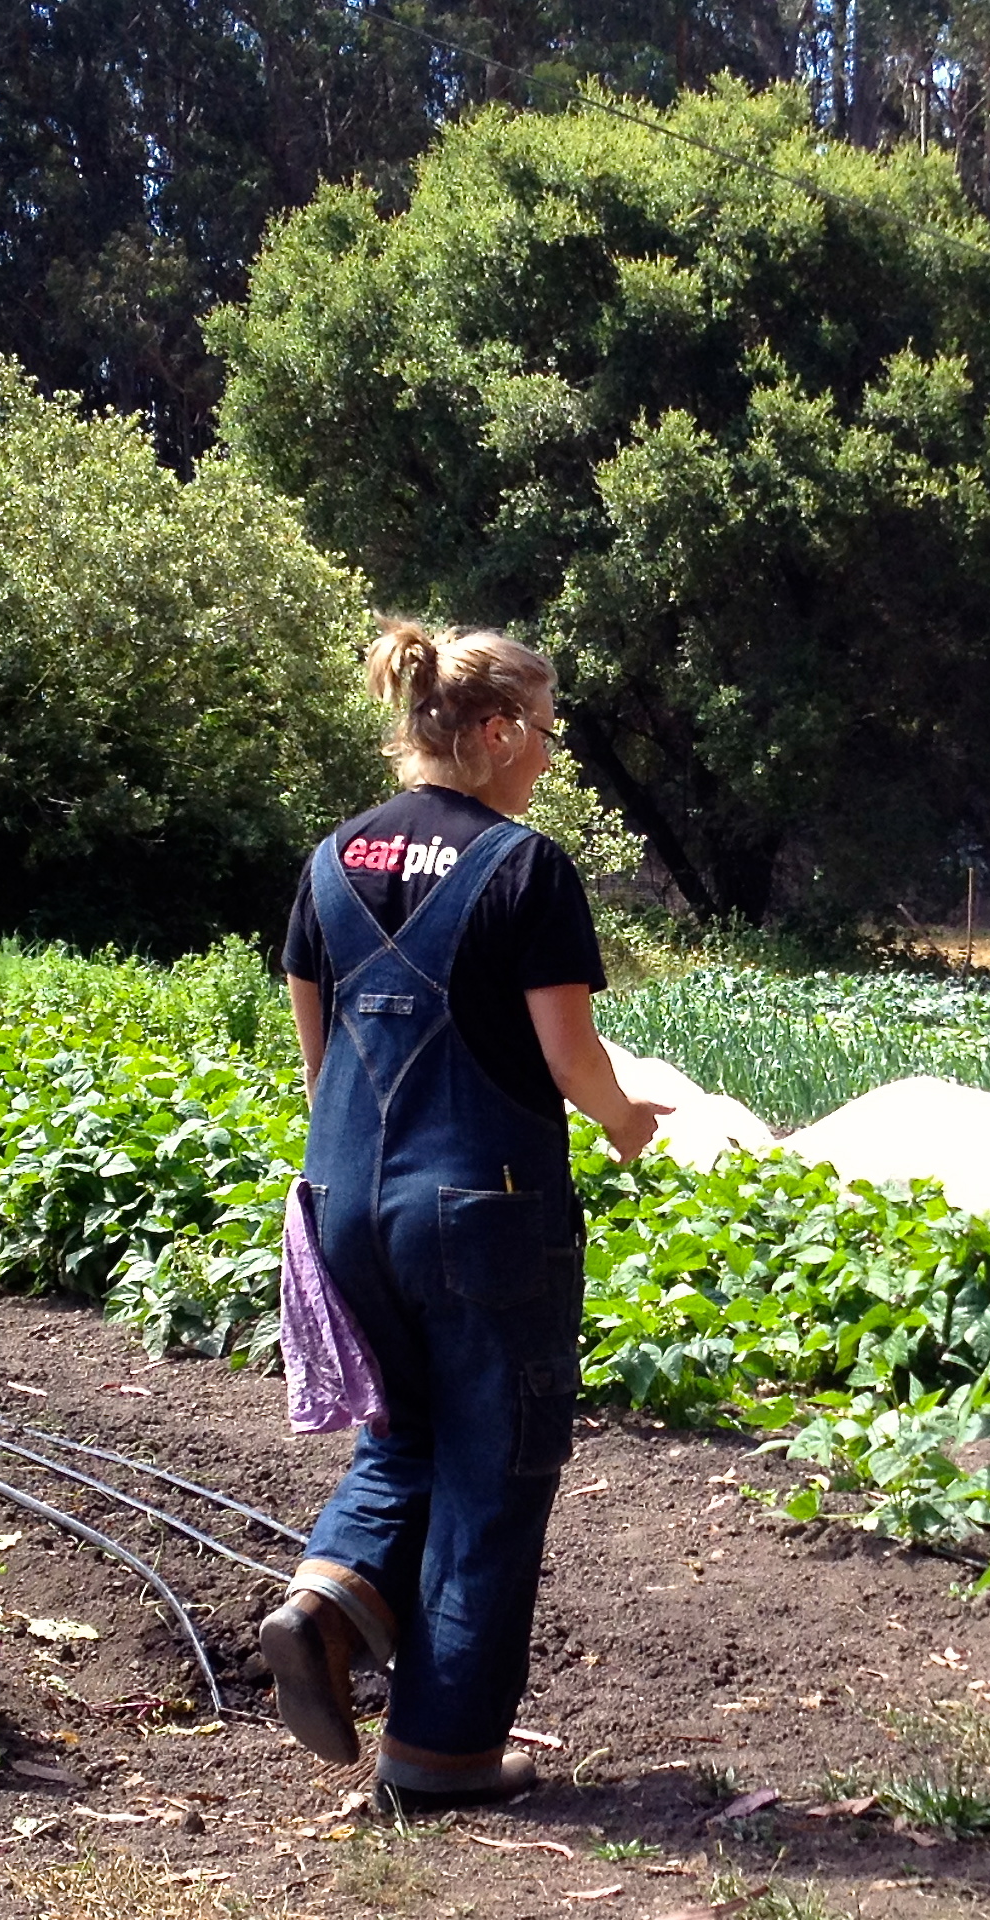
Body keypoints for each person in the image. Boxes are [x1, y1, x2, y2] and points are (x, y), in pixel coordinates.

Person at [259, 620, 669, 1805]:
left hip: (343, 1196)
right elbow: (568, 1052)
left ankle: (327, 1600)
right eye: (541, 732)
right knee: (495, 1465)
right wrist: (623, 1120)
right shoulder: (523, 867)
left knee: (403, 1432)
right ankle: (442, 1752)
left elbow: (319, 1056)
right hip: (483, 1208)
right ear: (491, 732)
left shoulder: (330, 859)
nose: (546, 753)